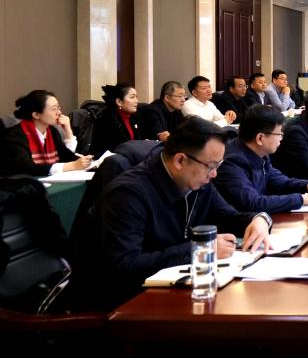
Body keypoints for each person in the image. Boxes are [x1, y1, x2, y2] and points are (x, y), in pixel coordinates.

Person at [91, 117, 272, 310]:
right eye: (210, 166)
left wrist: (260, 219)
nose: (214, 174)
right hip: (126, 306)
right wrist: (200, 251)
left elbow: (228, 217)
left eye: (218, 166)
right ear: (180, 160)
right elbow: (126, 265)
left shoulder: (197, 182)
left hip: (175, 292)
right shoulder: (128, 194)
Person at [214, 105, 308, 213]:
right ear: (260, 138)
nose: (282, 138)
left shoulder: (259, 152)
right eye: (279, 134)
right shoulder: (231, 162)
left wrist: (306, 185)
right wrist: (303, 199)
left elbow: (277, 180)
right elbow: (253, 203)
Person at [1, 89, 92, 177]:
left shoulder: (51, 131)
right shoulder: (14, 136)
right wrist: (72, 165)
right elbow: (27, 168)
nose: (59, 112)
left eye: (58, 107)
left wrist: (87, 161)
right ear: (36, 114)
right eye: (54, 109)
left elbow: (66, 156)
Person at [89, 82, 140, 156]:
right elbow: (108, 148)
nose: (137, 101)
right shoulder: (107, 119)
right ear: (119, 102)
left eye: (136, 97)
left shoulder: (134, 117)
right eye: (132, 97)